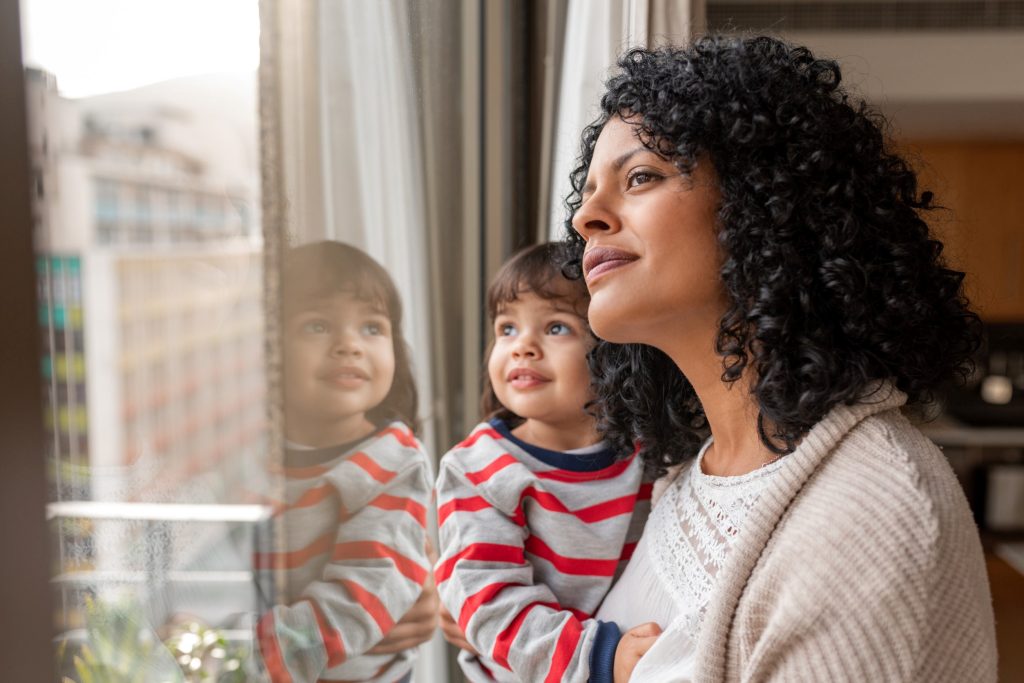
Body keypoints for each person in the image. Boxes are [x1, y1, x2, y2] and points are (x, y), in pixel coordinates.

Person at [564, 36, 997, 682]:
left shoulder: (868, 515)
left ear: (757, 204)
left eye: (640, 177)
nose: (586, 219)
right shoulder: (692, 479)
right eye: (590, 191)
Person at [434, 242, 653, 682]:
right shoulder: (478, 469)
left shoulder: (649, 453)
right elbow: (489, 602)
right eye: (507, 329)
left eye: (555, 328)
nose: (523, 347)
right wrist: (598, 657)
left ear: (613, 353)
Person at [253, 241, 435, 683]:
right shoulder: (250, 455)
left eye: (372, 328)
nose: (348, 345)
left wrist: (251, 656)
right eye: (317, 326)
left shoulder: (393, 462)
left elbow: (364, 593)